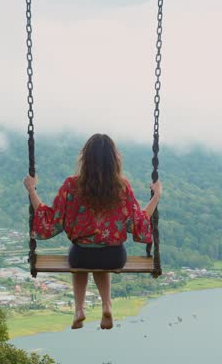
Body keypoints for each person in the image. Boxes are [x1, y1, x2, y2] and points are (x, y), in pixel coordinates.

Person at [23, 133, 162, 330]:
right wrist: (157, 195)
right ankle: (107, 306)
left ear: (85, 157)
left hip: (81, 256)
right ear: (114, 159)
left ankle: (79, 309)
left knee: (82, 258)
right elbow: (139, 221)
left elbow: (50, 218)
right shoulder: (122, 186)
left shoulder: (72, 185)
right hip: (114, 256)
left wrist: (31, 190)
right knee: (102, 256)